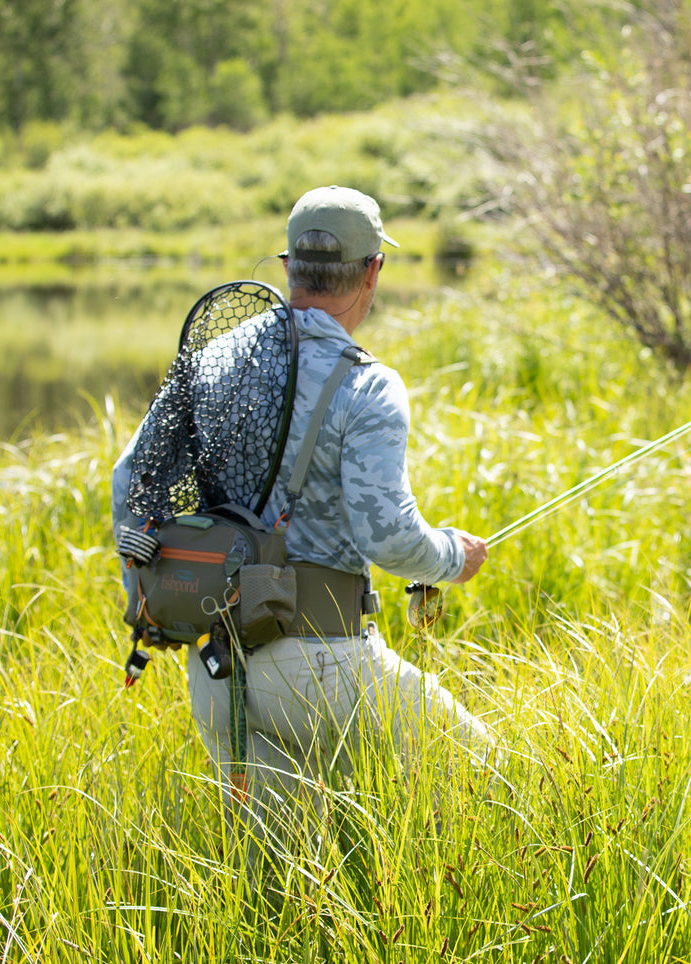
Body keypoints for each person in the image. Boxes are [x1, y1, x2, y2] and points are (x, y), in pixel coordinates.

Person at [111, 185, 496, 830]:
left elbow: (130, 480)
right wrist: (454, 557)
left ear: (289, 266)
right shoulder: (368, 384)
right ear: (373, 271)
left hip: (215, 667)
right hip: (324, 670)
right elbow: (386, 536)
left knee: (281, 868)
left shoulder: (211, 360)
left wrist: (150, 600)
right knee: (491, 780)